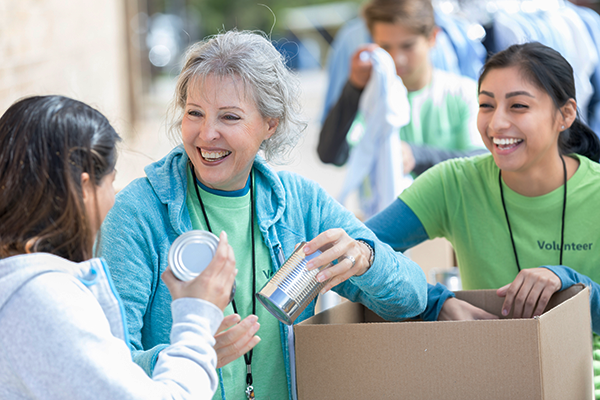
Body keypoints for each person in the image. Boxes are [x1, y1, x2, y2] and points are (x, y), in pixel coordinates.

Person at [98, 30, 427, 400]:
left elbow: (411, 299)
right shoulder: (137, 213)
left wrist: (366, 259)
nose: (207, 134)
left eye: (230, 117)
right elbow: (104, 362)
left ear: (270, 124)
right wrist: (187, 356)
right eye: (195, 113)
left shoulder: (301, 203)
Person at [364, 42, 600, 394]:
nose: (497, 122)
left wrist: (573, 285)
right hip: (488, 378)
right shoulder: (454, 183)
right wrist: (433, 302)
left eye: (518, 106)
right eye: (486, 105)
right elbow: (356, 250)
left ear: (565, 115)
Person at [0, 95, 237, 399]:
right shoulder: (45, 301)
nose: (113, 197)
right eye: (110, 182)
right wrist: (197, 316)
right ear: (84, 188)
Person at [318, 0, 485, 176]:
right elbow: (331, 154)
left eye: (408, 46)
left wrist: (416, 155)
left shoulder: (464, 93)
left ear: (432, 38)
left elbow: (481, 161)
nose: (398, 58)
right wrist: (354, 89)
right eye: (386, 47)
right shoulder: (370, 99)